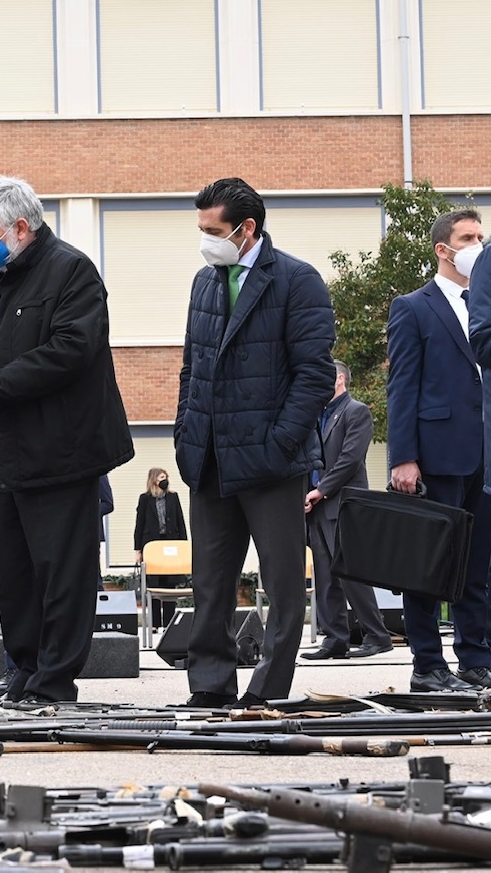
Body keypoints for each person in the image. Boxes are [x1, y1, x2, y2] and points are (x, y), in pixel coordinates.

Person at [0, 176, 133, 707]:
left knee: (61, 575)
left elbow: (70, 350)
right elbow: (18, 344)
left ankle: (54, 682)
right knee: (14, 574)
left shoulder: (71, 270)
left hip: (60, 452)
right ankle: (23, 674)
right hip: (7, 452)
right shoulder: (6, 276)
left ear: (20, 228)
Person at [175, 177, 335, 709]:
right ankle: (210, 685)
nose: (206, 240)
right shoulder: (204, 281)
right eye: (201, 229)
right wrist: (184, 434)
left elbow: (314, 375)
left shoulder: (297, 280)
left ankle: (268, 690)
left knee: (283, 582)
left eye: (214, 230)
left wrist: (280, 442)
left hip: (272, 462)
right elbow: (191, 367)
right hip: (211, 459)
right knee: (210, 582)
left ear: (248, 228)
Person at [389, 208, 491, 692]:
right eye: (468, 237)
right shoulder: (414, 307)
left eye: (481, 236)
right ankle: (427, 665)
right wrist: (402, 458)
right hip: (436, 455)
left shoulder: (486, 302)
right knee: (429, 565)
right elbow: (402, 386)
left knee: (478, 566)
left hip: (484, 457)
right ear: (443, 249)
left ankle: (475, 660)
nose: (478, 244)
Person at [301, 360, 393, 660]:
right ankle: (335, 639)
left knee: (352, 575)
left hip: (343, 505)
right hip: (315, 508)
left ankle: (377, 635)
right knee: (326, 577)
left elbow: (350, 459)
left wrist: (321, 490)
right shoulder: (316, 415)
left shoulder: (356, 411)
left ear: (340, 378)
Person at [133, 468, 188, 629]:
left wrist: (183, 546)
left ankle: (169, 623)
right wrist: (138, 550)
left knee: (170, 583)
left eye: (166, 477)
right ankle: (155, 623)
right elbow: (139, 524)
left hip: (171, 543)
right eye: (162, 477)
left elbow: (180, 521)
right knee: (154, 585)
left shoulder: (173, 497)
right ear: (154, 479)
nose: (166, 480)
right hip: (152, 546)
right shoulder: (145, 499)